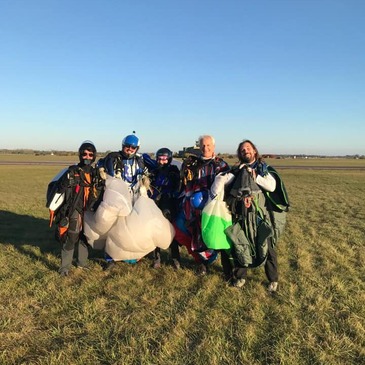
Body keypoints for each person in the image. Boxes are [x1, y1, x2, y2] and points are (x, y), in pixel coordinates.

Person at [221, 139, 289, 292]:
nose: (246, 151)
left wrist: (255, 175)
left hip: (260, 215)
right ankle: (240, 276)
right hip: (241, 214)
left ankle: (273, 279)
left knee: (267, 245)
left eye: (248, 148)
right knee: (240, 243)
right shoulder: (237, 169)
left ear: (254, 151)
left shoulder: (263, 168)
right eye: (243, 150)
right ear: (240, 153)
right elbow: (227, 185)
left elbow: (272, 187)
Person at [176, 135, 230, 275]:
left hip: (212, 207)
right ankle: (202, 263)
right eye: (203, 146)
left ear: (213, 146)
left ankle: (226, 266)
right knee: (195, 234)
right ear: (199, 147)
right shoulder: (193, 163)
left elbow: (227, 182)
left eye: (208, 145)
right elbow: (184, 182)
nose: (205, 148)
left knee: (213, 233)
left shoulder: (221, 165)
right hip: (193, 207)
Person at [97, 132, 148, 270]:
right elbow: (100, 163)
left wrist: (145, 180)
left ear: (137, 148)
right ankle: (110, 258)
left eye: (133, 148)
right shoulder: (113, 157)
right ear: (123, 146)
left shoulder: (140, 160)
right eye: (127, 147)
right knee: (113, 227)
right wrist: (101, 168)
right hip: (117, 197)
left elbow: (149, 170)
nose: (130, 150)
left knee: (132, 227)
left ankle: (129, 254)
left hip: (134, 197)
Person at [49, 140, 99, 276]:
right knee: (71, 236)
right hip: (74, 209)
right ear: (80, 154)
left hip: (89, 210)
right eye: (84, 154)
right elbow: (60, 190)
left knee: (85, 237)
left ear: (94, 156)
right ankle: (65, 267)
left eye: (90, 154)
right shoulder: (71, 171)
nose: (87, 157)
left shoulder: (96, 174)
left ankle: (82, 263)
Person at [146, 148, 181, 269]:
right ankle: (157, 258)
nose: (162, 161)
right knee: (155, 230)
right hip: (155, 203)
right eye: (160, 159)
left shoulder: (173, 170)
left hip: (169, 203)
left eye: (165, 159)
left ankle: (175, 258)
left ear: (169, 159)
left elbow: (178, 187)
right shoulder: (153, 170)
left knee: (172, 230)